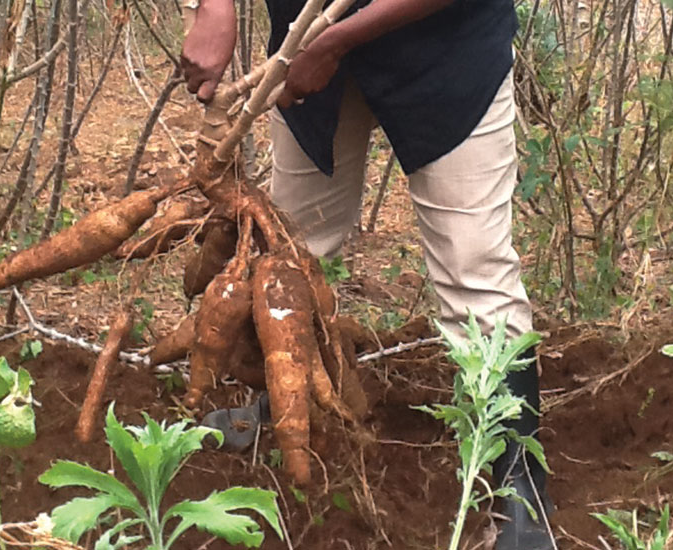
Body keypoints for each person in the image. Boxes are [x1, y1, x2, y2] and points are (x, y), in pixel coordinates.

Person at [181, 0, 554, 547]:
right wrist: (213, 7)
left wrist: (335, 41)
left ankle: (519, 491)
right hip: (306, 50)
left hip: (446, 53)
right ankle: (287, 403)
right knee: (288, 248)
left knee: (475, 272)